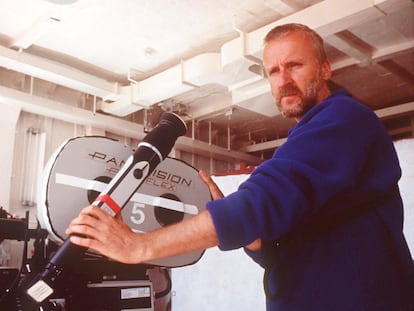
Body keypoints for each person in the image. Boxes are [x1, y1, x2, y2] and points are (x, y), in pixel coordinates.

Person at [66, 23, 414, 310]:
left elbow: (261, 202)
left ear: (324, 68)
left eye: (295, 65)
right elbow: (282, 258)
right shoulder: (303, 142)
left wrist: (137, 247)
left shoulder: (344, 119)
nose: (283, 80)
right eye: (273, 71)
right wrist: (253, 238)